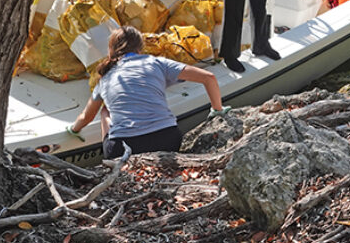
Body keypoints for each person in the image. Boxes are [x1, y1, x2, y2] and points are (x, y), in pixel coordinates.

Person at [66, 26, 230, 159]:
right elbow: (209, 78)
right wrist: (217, 110)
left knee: (105, 110)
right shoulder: (157, 62)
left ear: (111, 50)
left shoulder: (105, 79)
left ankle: (113, 164)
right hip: (167, 139)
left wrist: (73, 130)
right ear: (140, 47)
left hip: (122, 149)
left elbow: (86, 117)